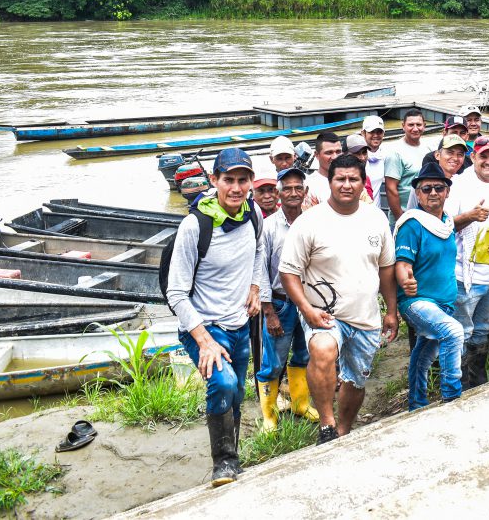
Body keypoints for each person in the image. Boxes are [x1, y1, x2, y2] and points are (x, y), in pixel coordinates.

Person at [279, 155, 397, 445]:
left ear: (362, 183)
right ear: (329, 182)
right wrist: (306, 310)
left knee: (356, 380)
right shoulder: (309, 222)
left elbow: (386, 269)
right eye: (340, 179)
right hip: (324, 314)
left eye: (353, 179)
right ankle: (327, 424)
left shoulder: (376, 218)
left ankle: (342, 431)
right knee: (322, 350)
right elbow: (288, 273)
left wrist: (391, 311)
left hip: (365, 316)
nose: (346, 185)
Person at [166, 148, 264, 486]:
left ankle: (232, 457)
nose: (236, 188)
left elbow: (259, 249)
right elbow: (175, 292)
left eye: (242, 180)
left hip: (239, 323)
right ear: (214, 181)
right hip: (205, 325)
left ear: (251, 182)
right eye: (228, 180)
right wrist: (204, 341)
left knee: (236, 393)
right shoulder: (195, 226)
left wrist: (255, 287)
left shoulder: (253, 213)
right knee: (223, 383)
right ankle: (223, 463)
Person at [394, 163, 463, 411]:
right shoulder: (412, 224)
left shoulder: (446, 222)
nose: (433, 193)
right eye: (426, 189)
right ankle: (452, 398)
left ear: (447, 192)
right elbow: (402, 264)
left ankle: (417, 402)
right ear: (418, 194)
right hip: (418, 301)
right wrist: (406, 280)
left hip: (444, 302)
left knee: (423, 355)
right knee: (453, 333)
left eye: (438, 188)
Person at [256, 167, 318, 432]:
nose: (293, 193)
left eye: (298, 188)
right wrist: (268, 311)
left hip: (310, 301)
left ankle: (300, 404)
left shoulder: (314, 221)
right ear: (278, 194)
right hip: (280, 303)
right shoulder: (268, 227)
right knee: (273, 362)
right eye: (287, 188)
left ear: (304, 192)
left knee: (305, 354)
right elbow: (260, 270)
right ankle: (269, 415)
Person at [449, 136, 489, 388]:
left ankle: (477, 375)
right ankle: (458, 380)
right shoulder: (459, 185)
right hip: (464, 275)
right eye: (483, 156)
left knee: (484, 328)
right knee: (461, 332)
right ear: (473, 157)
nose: (488, 161)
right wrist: (469, 216)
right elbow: (444, 225)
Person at [385, 108, 428, 221]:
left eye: (419, 124)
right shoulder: (395, 151)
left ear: (424, 126)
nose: (415, 129)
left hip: (425, 215)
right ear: (403, 126)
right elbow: (390, 188)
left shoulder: (428, 148)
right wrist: (401, 218)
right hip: (404, 215)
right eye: (410, 125)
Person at [407, 134, 468, 210]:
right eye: (450, 153)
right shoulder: (421, 182)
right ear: (437, 155)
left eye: (460, 154)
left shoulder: (465, 182)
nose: (455, 158)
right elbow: (410, 213)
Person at [304, 131, 343, 205]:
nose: (335, 157)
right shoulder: (309, 185)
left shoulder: (351, 180)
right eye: (329, 152)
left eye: (338, 152)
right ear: (316, 155)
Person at [362, 115, 387, 215]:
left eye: (379, 132)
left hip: (376, 212)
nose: (376, 135)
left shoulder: (385, 156)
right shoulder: (355, 156)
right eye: (372, 132)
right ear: (363, 133)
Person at [345, 134, 376, 202]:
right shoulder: (339, 182)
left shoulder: (366, 178)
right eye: (357, 153)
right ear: (345, 154)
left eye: (364, 153)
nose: (362, 158)